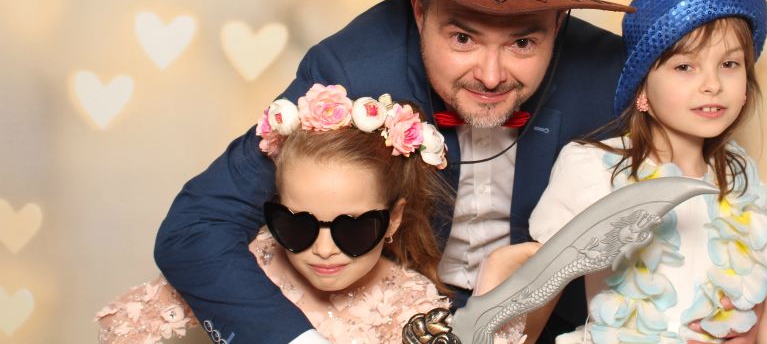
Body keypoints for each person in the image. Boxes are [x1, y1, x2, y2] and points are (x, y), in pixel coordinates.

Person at [153, 0, 635, 344]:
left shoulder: (611, 77)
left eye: (522, 43)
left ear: (559, 24)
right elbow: (196, 227)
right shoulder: (352, 71)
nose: (490, 76)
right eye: (462, 38)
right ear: (420, 13)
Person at [529, 0, 767, 344]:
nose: (712, 84)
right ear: (642, 88)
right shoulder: (593, 169)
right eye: (685, 67)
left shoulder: (747, 191)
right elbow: (529, 304)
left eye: (729, 64)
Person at [98, 87, 527, 343]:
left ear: (393, 220)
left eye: (353, 230)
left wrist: (499, 280)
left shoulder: (411, 305)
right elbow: (123, 325)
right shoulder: (249, 266)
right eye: (297, 225)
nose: (322, 250)